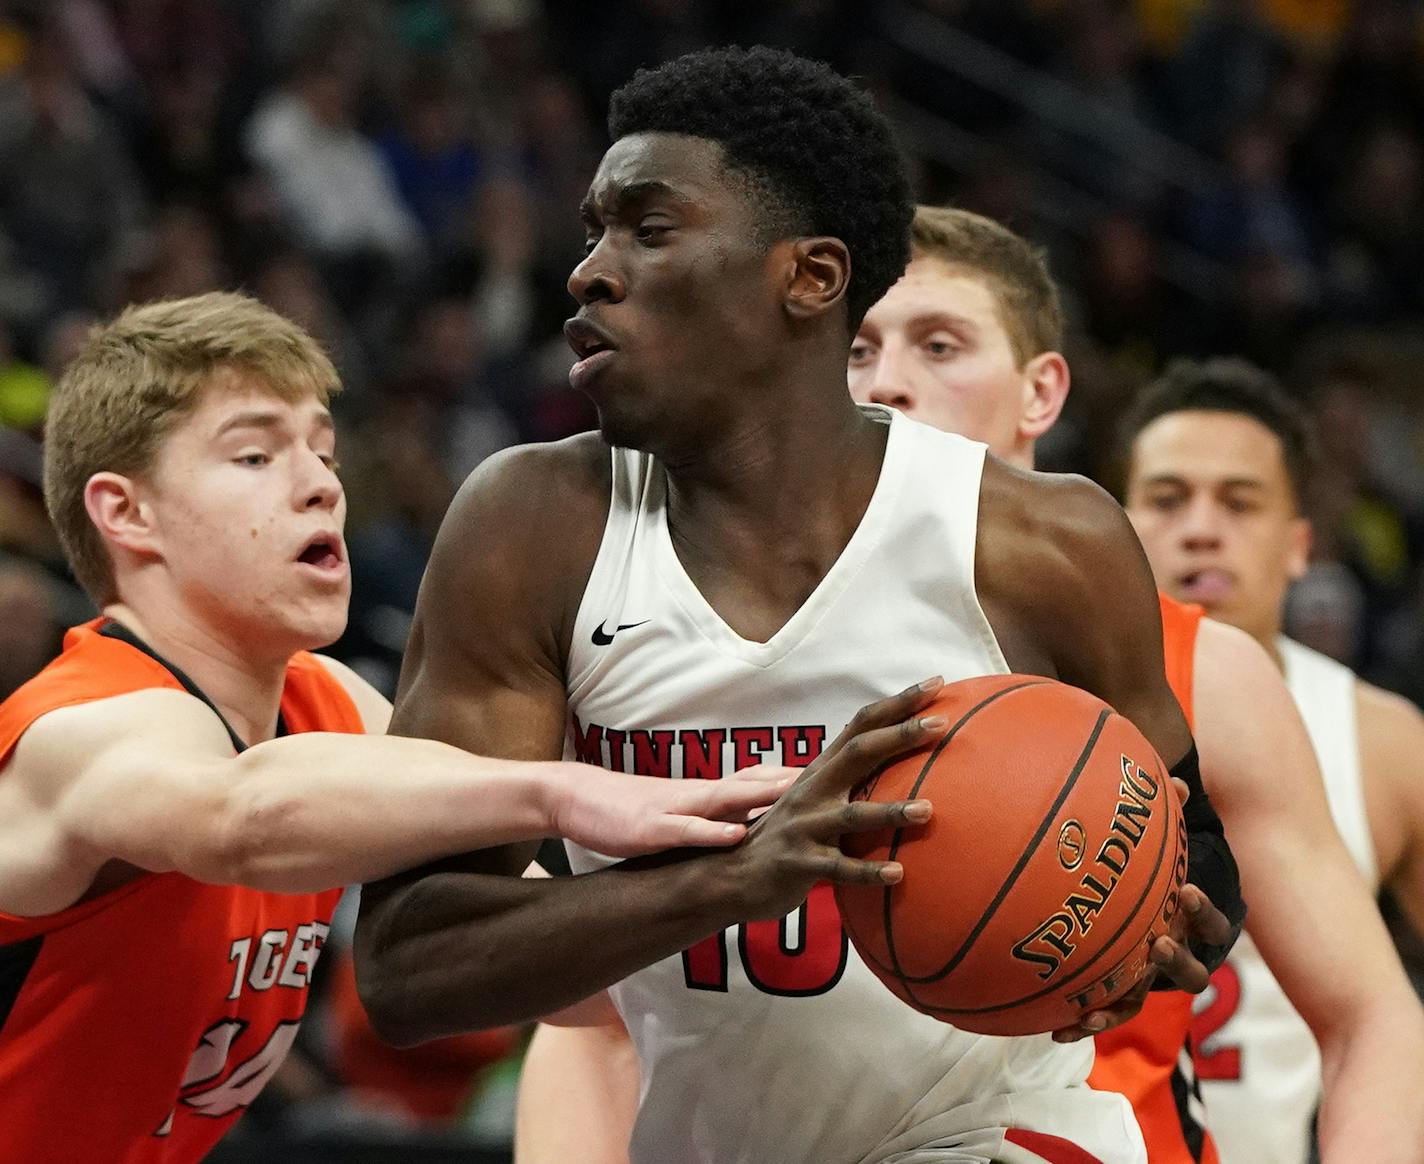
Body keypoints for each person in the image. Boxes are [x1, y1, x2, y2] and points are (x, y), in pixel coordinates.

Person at [355, 48, 1242, 1164]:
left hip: (999, 1132)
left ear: (811, 278)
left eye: (647, 227)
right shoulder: (531, 528)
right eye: (592, 231)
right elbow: (405, 967)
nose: (587, 270)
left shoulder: (1035, 541)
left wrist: (1153, 927)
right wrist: (739, 877)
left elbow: (1193, 842)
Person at [515, 205, 1424, 1164]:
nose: (889, 381)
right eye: (856, 350)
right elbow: (595, 1027)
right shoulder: (710, 655)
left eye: (940, 345)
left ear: (1041, 395)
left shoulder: (1196, 667)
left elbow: (1372, 1018)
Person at [0, 290, 794, 1164]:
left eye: (325, 452)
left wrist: (755, 872)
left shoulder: (330, 704)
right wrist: (562, 787)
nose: (319, 485)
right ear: (126, 513)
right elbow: (239, 816)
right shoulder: (77, 725)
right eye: (257, 455)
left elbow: (561, 968)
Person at [1120, 358, 1424, 1164]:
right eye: (1166, 498)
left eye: (1239, 502)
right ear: (1109, 527)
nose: (1201, 529)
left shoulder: (1384, 741)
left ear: (1299, 547)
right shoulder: (1044, 709)